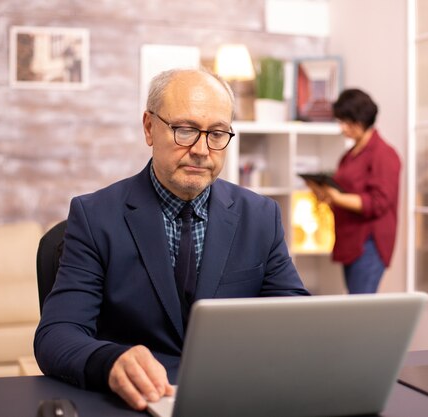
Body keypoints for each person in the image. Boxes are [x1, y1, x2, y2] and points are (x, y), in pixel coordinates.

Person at [34, 68, 309, 411]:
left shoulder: (261, 217)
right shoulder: (95, 217)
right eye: (185, 130)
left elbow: (298, 323)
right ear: (149, 128)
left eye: (217, 133)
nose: (201, 149)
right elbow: (56, 335)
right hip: (137, 403)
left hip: (232, 400)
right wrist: (110, 361)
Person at [306, 88, 401, 294]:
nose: (342, 128)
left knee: (361, 306)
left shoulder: (384, 154)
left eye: (346, 123)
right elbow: (344, 191)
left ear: (360, 121)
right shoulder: (350, 154)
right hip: (349, 237)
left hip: (368, 241)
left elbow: (377, 203)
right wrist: (325, 193)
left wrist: (338, 198)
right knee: (355, 302)